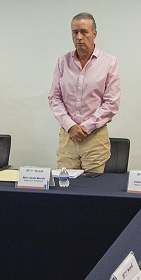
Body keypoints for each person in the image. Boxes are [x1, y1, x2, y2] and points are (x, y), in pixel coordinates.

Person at [48, 12, 120, 173]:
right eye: (75, 32)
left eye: (84, 32)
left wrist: (86, 127)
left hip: (95, 136)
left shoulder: (109, 62)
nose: (79, 37)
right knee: (65, 187)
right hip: (68, 135)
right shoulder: (63, 61)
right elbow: (54, 97)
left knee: (93, 190)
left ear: (94, 34)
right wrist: (70, 125)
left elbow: (111, 103)